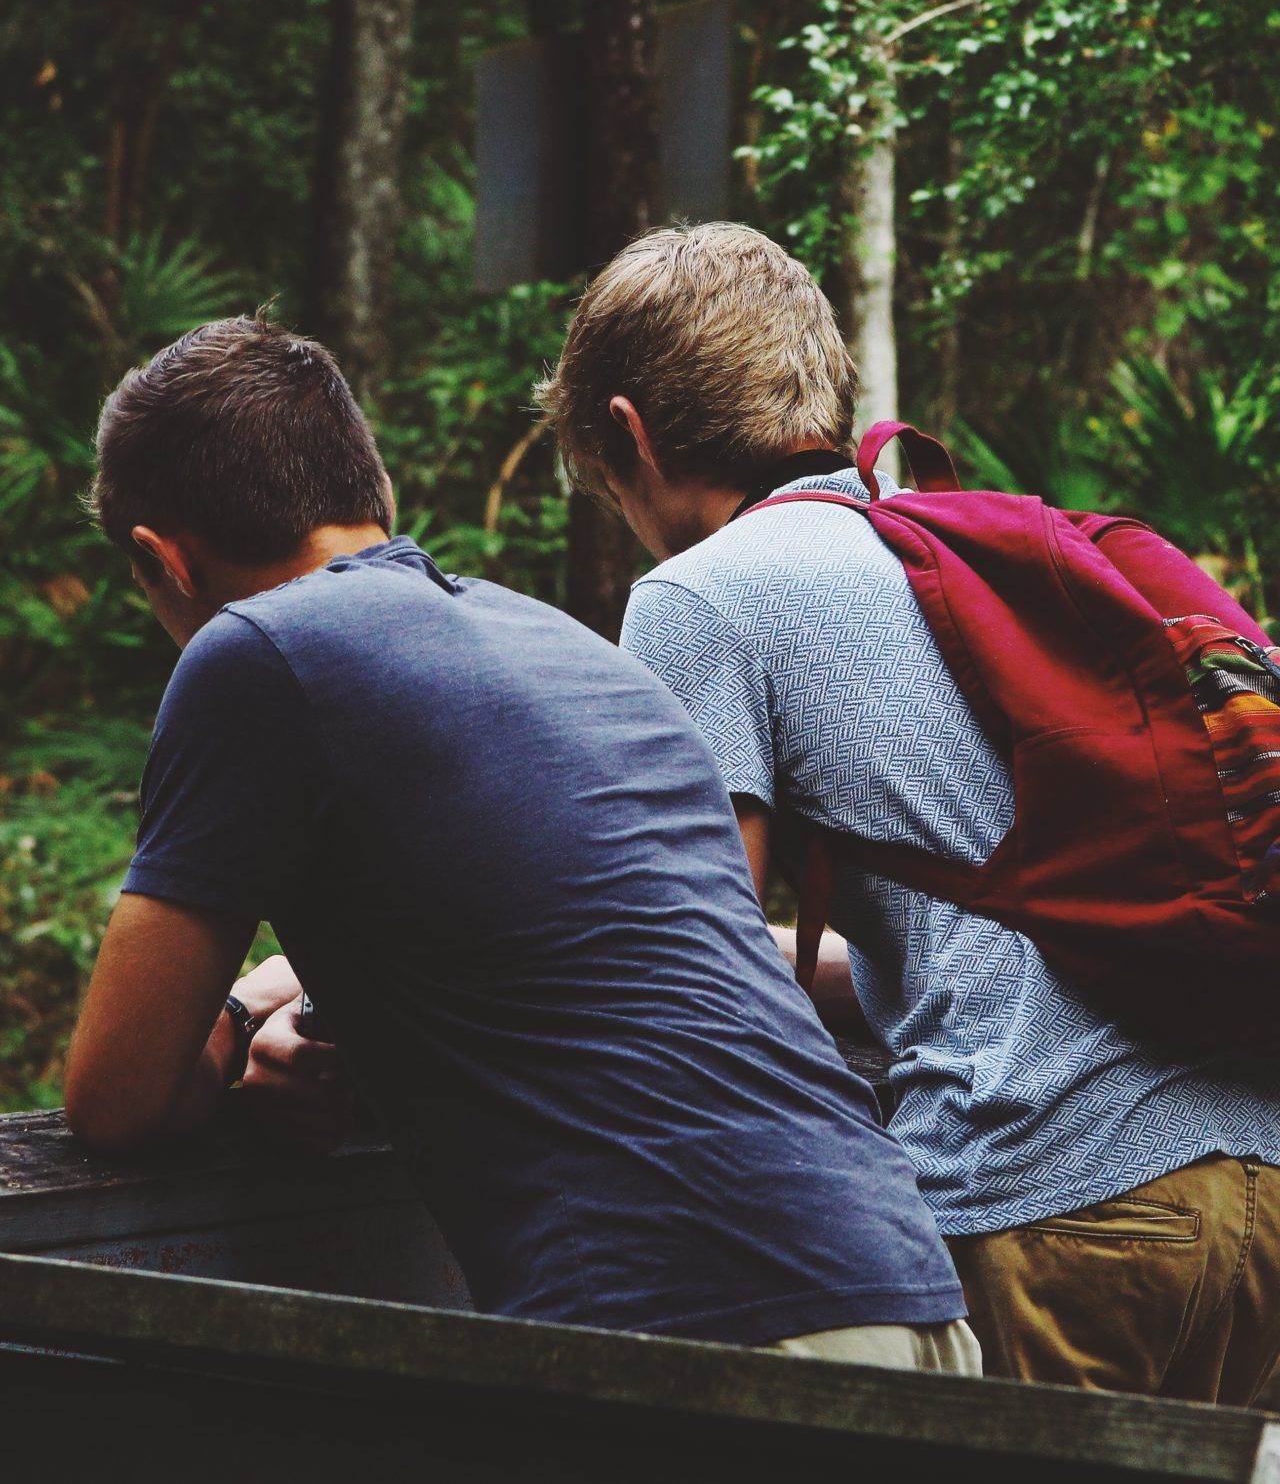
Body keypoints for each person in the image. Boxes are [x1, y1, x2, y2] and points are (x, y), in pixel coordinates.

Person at [65, 310, 978, 1372]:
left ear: (162, 561)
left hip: (696, 1323)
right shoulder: (564, 648)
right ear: (373, 497)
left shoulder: (255, 653)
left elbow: (116, 1098)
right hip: (903, 1292)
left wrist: (226, 1024)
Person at [534, 220, 1280, 1404]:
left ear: (629, 432)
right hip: (1255, 1182)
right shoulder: (958, 558)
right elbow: (965, 935)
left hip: (1049, 1193)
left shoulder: (697, 599)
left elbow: (693, 972)